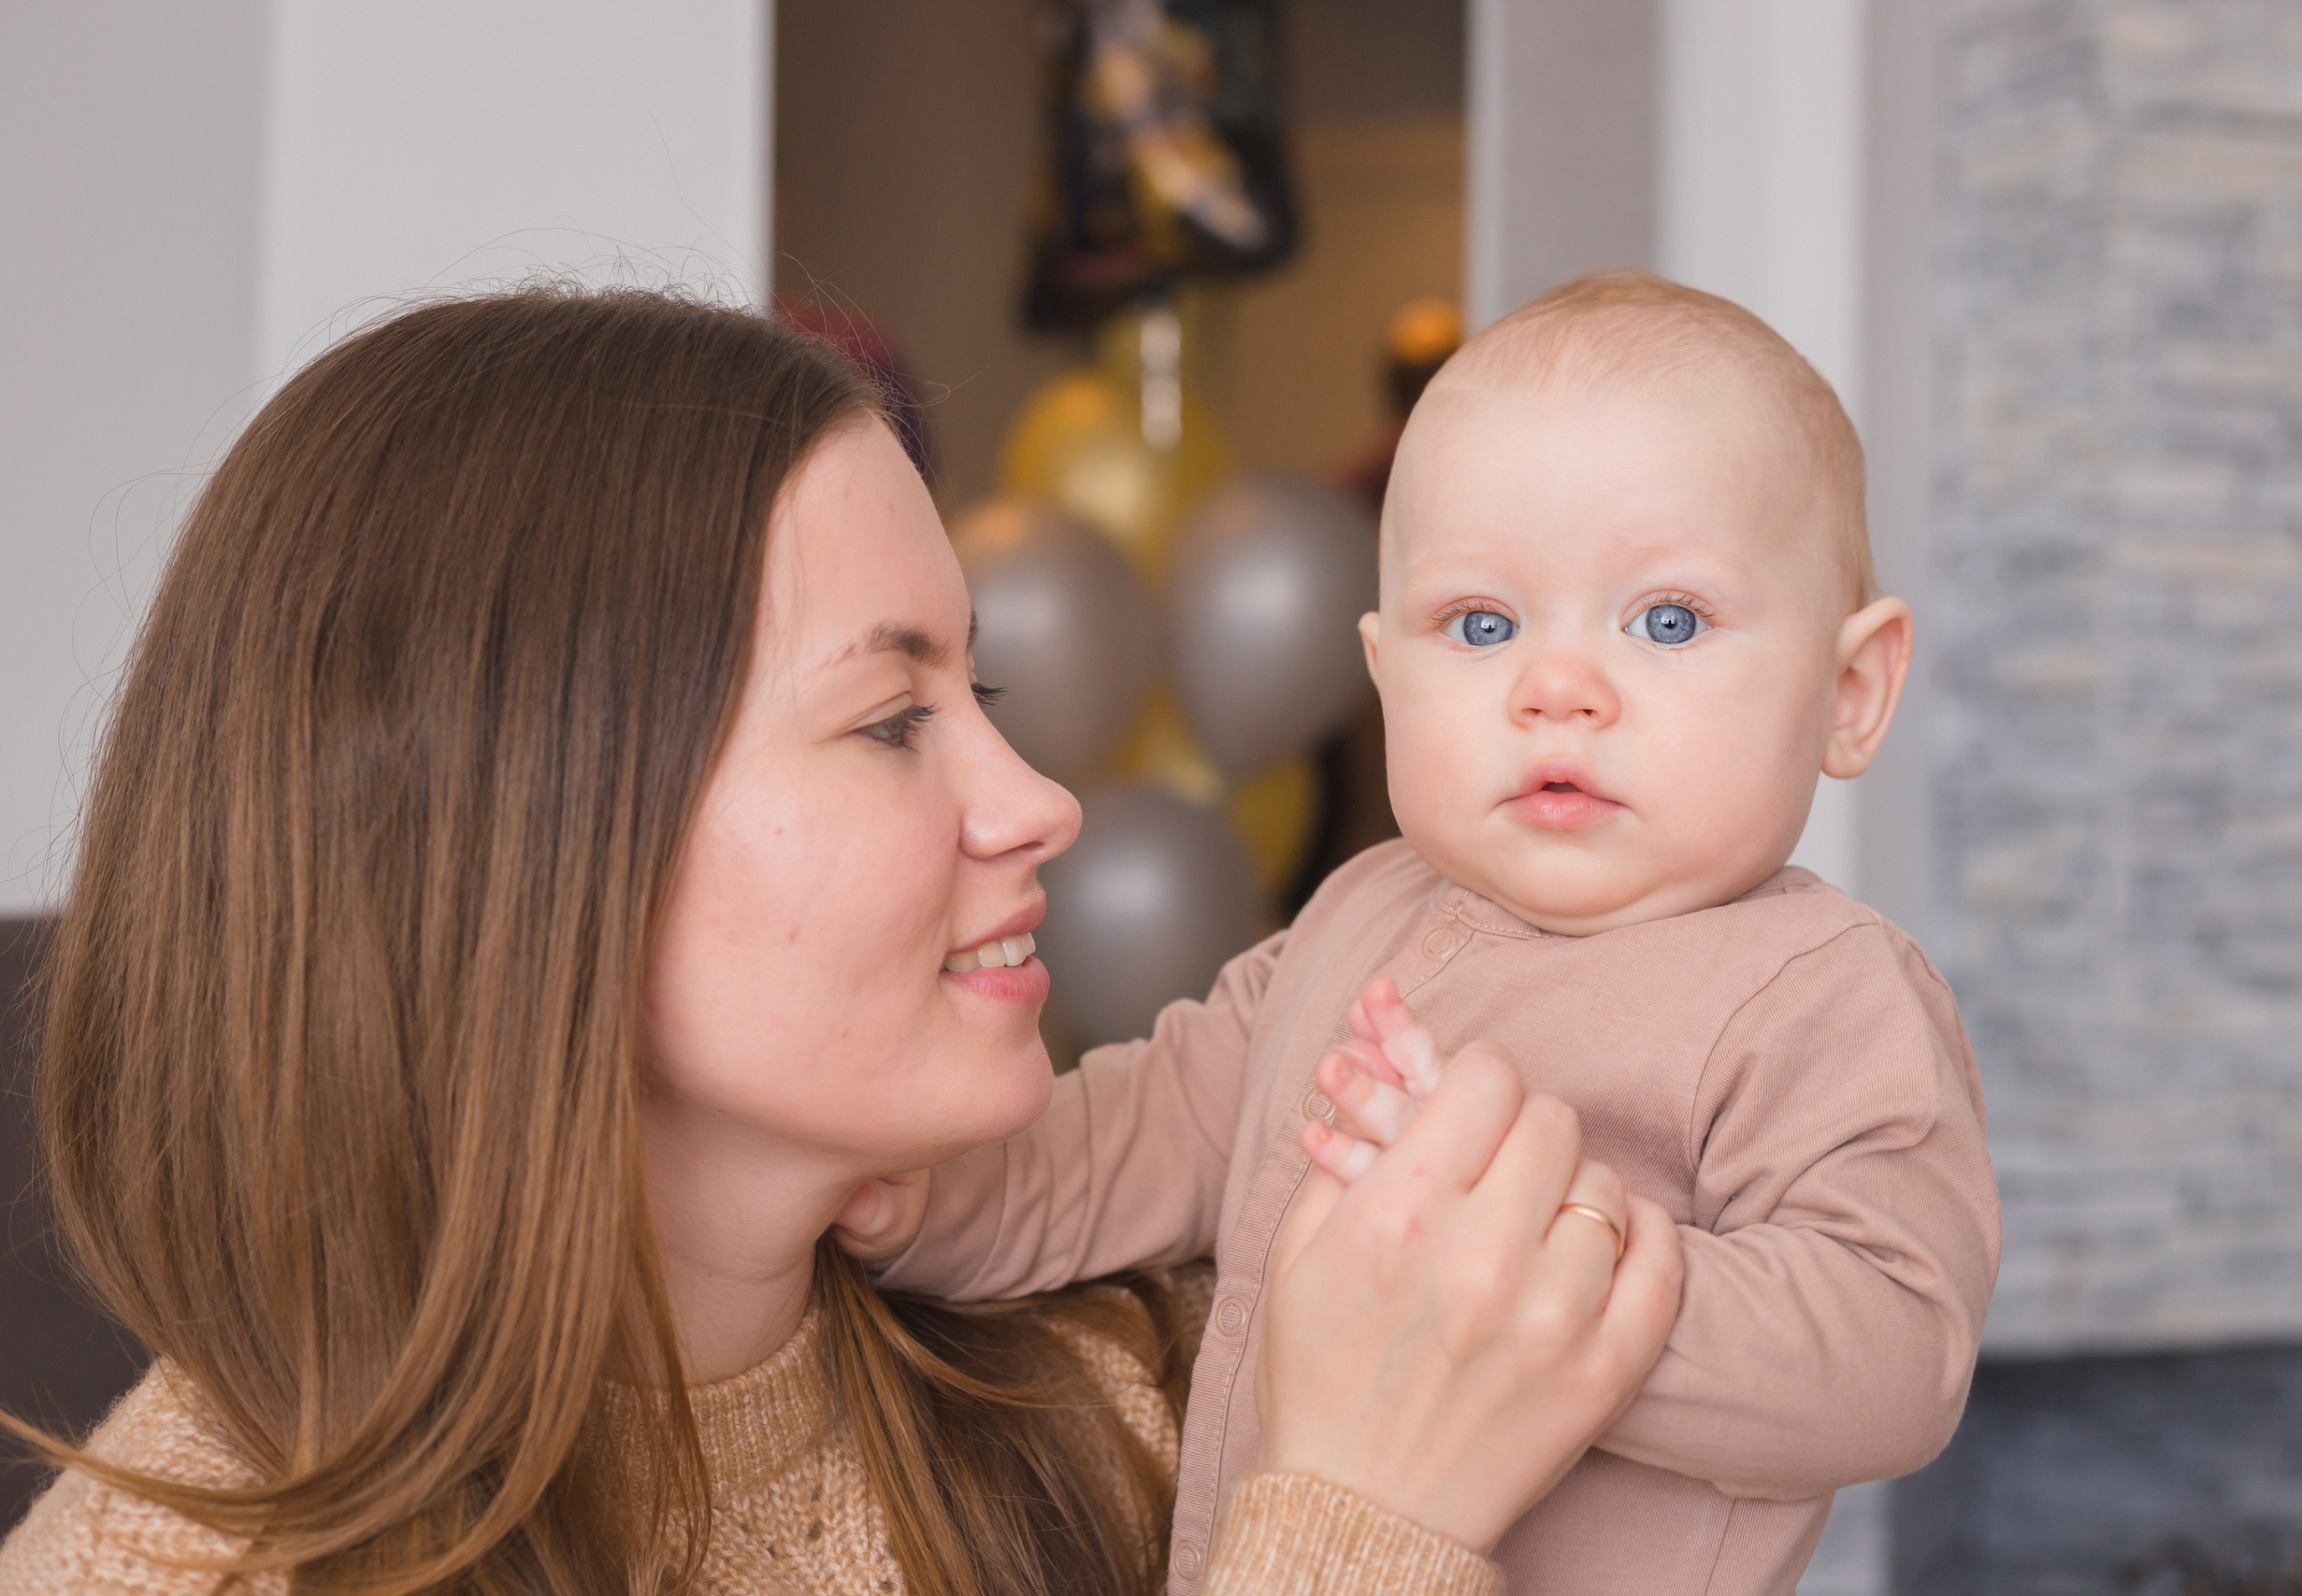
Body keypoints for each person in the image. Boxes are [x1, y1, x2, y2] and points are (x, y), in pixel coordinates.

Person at [0, 289, 1684, 1594]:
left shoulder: (1128, 1393)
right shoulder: (176, 1571)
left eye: (990, 692)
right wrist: (1362, 1533)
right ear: (533, 844)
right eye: (892, 720)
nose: (1038, 802)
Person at [856, 268, 2006, 1596]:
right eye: (1482, 624)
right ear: (1384, 671)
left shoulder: (1826, 994)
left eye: (1668, 621)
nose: (1557, 689)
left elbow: (1896, 1351)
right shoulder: (1361, 914)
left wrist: (1551, 1283)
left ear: (1851, 693)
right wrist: (928, 1206)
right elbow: (1146, 1129)